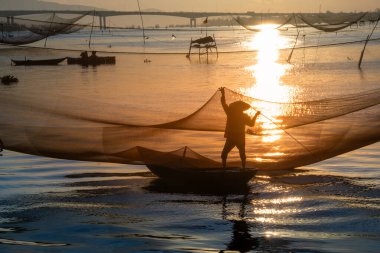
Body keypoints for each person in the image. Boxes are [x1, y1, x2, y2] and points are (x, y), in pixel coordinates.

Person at [220, 87, 260, 169]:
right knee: (227, 154)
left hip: (237, 137)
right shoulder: (231, 113)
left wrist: (256, 115)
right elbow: (223, 103)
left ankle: (242, 169)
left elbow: (251, 124)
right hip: (234, 137)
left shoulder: (233, 113)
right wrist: (223, 94)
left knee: (237, 154)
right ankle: (227, 169)